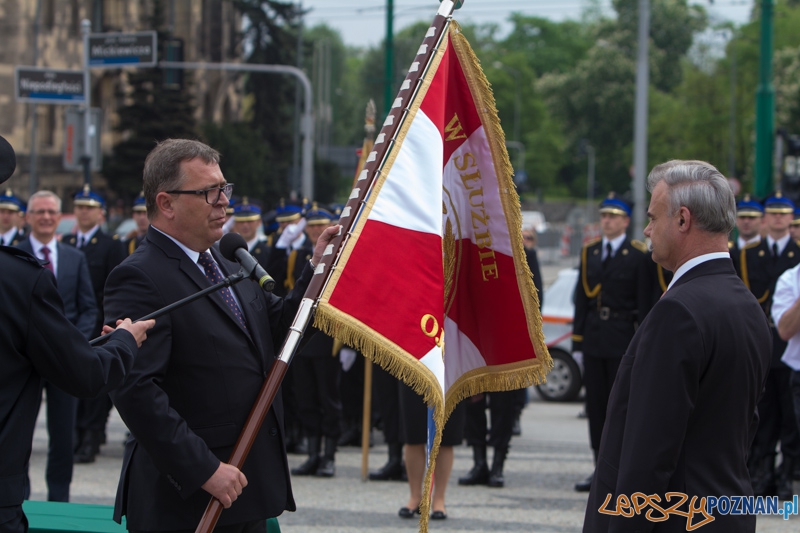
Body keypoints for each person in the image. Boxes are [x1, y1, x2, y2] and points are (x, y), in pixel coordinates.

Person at [104, 139, 339, 532]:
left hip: (247, 484)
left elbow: (280, 333)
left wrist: (317, 269)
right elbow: (137, 391)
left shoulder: (230, 260)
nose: (223, 202)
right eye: (209, 192)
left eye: (224, 189)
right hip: (188, 499)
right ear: (166, 203)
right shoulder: (139, 276)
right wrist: (203, 469)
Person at [583, 160, 772, 532]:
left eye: (654, 218)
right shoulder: (746, 304)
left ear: (683, 220)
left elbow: (648, 451)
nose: (648, 230)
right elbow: (742, 428)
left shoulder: (678, 310)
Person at [17, 190, 97, 502]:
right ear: (28, 218)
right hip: (24, 365)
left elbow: (89, 307)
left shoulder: (75, 258)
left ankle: (59, 501)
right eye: (39, 212)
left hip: (64, 363)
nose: (46, 217)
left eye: (51, 212)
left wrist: (72, 344)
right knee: (18, 436)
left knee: (63, 438)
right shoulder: (14, 254)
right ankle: (16, 498)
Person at [571, 193, 647, 492]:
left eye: (614, 216)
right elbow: (581, 299)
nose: (607, 220)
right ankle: (599, 467)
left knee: (622, 409)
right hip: (594, 338)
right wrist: (578, 342)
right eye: (604, 215)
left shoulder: (638, 255)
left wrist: (643, 345)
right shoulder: (590, 252)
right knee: (596, 406)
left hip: (623, 337)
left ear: (626, 221)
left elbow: (645, 303)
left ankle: (621, 471)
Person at [736, 191, 800, 500]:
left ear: (791, 218)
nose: (777, 218)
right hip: (759, 340)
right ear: (765, 218)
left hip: (789, 347)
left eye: (783, 213)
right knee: (762, 415)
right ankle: (760, 475)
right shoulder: (749, 254)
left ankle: (786, 477)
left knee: (790, 418)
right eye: (772, 213)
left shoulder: (797, 254)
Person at [63, 185, 127, 464]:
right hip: (69, 324)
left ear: (101, 214)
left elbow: (116, 288)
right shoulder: (66, 242)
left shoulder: (111, 244)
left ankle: (90, 435)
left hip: (97, 324)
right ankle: (74, 434)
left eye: (89, 207)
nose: (83, 212)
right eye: (80, 207)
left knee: (93, 387)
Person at [289, 206, 345, 478]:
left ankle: (329, 455)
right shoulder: (299, 254)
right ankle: (313, 453)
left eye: (320, 226)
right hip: (301, 333)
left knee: (328, 398)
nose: (314, 230)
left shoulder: (339, 255)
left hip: (326, 335)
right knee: (306, 397)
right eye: (311, 226)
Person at [397, 382, 465, 521]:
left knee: (445, 437)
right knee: (413, 434)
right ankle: (415, 497)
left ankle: (439, 499)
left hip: (449, 371)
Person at [232, 197, 271, 267]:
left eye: (250, 221)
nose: (245, 225)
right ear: (235, 223)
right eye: (241, 221)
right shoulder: (230, 253)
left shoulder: (268, 252)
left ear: (259, 222)